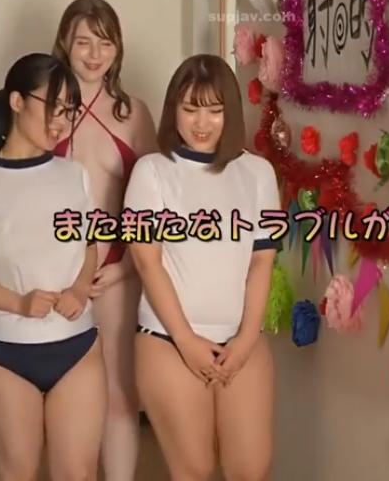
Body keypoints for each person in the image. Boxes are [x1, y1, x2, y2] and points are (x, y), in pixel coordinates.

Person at [124, 54, 280, 481]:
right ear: (173, 109)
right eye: (190, 109)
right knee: (193, 468)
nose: (201, 123)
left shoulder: (258, 173)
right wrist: (186, 340)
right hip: (167, 340)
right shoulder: (151, 171)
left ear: (231, 112)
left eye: (214, 110)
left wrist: (246, 340)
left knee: (251, 468)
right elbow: (147, 262)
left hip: (241, 340)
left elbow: (262, 261)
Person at [0, 53, 106, 481]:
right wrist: (19, 303)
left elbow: (89, 245)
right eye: (52, 106)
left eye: (69, 110)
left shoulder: (75, 175)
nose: (61, 121)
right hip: (4, 354)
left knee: (78, 474)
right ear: (17, 101)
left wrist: (79, 288)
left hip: (77, 347)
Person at [50, 0, 156, 481]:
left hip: (117, 265)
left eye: (105, 43)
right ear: (64, 44)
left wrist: (126, 266)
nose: (95, 55)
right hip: (53, 267)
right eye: (83, 43)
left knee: (118, 392)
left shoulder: (134, 112)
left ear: (118, 48)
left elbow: (155, 201)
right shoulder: (44, 109)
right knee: (62, 394)